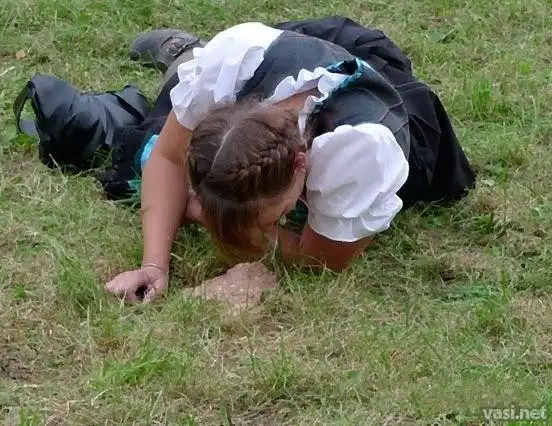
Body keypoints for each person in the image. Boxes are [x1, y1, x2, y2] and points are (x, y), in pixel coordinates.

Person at [100, 16, 476, 302]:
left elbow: (321, 258)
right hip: (299, 51)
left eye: (275, 216)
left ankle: (180, 60)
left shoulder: (361, 152)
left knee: (139, 152)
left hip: (391, 102)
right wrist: (154, 264)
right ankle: (185, 57)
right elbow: (168, 158)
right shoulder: (236, 62)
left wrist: (206, 215)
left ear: (300, 164)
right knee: (150, 142)